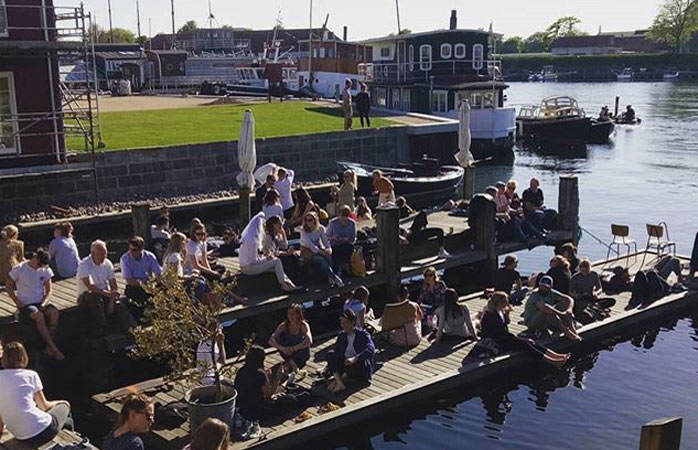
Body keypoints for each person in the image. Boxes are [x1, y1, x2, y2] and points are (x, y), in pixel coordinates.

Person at [0, 342, 73, 445]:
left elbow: (0, 415)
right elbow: (44, 406)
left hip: (20, 436)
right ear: (23, 357)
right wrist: (60, 402)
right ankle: (73, 440)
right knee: (65, 408)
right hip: (42, 431)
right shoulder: (31, 375)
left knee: (64, 421)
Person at [481, 292, 570, 366]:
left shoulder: (500, 311)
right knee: (527, 344)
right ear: (500, 303)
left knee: (530, 341)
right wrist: (516, 337)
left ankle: (555, 355)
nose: (507, 303)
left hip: (503, 337)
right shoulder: (490, 315)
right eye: (505, 301)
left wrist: (507, 314)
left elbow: (506, 324)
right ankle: (551, 360)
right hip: (495, 341)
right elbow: (499, 332)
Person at [7, 249, 64, 360]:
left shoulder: (45, 270)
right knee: (39, 316)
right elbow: (9, 285)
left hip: (40, 301)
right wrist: (16, 300)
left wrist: (44, 303)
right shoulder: (19, 269)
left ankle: (48, 346)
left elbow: (49, 290)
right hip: (26, 303)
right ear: (35, 258)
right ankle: (54, 348)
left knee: (54, 313)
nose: (39, 267)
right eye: (38, 264)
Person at [77, 240, 135, 337]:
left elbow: (113, 283)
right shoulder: (84, 265)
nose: (103, 257)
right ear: (92, 254)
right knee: (95, 298)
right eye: (100, 254)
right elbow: (90, 286)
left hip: (104, 293)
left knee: (120, 305)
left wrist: (113, 297)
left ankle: (133, 330)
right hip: (87, 296)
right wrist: (109, 294)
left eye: (105, 254)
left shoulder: (107, 263)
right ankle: (103, 331)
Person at [239, 212, 301, 293]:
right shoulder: (252, 241)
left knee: (278, 265)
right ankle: (285, 285)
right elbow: (254, 261)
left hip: (251, 264)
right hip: (248, 267)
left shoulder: (251, 238)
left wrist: (267, 258)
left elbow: (284, 246)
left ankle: (288, 284)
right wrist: (267, 258)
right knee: (277, 262)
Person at [234, 345, 283, 434]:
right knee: (289, 399)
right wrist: (278, 378)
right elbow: (269, 394)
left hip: (242, 406)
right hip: (256, 409)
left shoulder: (241, 370)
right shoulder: (259, 373)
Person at [326, 310, 375, 393]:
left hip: (358, 364)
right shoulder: (342, 336)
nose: (343, 325)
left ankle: (338, 381)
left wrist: (355, 358)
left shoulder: (363, 334)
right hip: (346, 363)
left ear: (352, 322)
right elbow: (337, 353)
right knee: (330, 354)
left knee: (360, 363)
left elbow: (371, 349)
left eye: (345, 323)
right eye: (342, 323)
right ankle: (339, 382)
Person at [522, 275, 581, 342]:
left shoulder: (551, 292)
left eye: (546, 287)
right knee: (548, 312)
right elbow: (544, 307)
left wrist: (569, 309)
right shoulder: (535, 295)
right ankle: (566, 331)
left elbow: (568, 298)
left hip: (545, 318)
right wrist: (561, 314)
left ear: (550, 287)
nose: (543, 288)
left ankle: (572, 328)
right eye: (542, 286)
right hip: (531, 321)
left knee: (564, 303)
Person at [300, 212, 344, 288]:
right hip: (307, 251)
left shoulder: (321, 228)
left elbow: (325, 241)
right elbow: (311, 246)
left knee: (328, 257)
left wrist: (329, 249)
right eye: (306, 220)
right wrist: (322, 252)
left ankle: (330, 277)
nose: (308, 222)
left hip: (318, 249)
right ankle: (334, 277)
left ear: (315, 220)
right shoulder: (303, 231)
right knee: (321, 259)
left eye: (310, 220)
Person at [268, 303, 313, 374]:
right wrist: (282, 348)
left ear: (298, 315)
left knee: (304, 347)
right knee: (278, 340)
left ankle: (291, 362)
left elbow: (309, 341)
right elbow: (271, 340)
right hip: (288, 351)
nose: (290, 316)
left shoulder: (303, 325)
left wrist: (294, 348)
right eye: (289, 314)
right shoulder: (284, 325)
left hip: (300, 351)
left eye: (293, 314)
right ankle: (291, 362)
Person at [120, 236, 162, 309]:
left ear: (141, 249)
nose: (131, 252)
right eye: (130, 249)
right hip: (135, 286)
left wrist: (154, 283)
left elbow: (158, 273)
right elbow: (129, 280)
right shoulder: (125, 259)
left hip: (149, 284)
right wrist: (144, 285)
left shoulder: (150, 256)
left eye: (134, 250)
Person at [262, 216, 302, 283]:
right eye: (279, 223)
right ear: (273, 225)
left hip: (278, 254)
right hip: (270, 257)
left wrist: (283, 234)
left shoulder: (277, 235)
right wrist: (285, 253)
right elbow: (272, 252)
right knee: (288, 260)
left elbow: (284, 246)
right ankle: (292, 281)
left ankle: (298, 279)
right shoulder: (268, 237)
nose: (281, 225)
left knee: (294, 256)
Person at [326, 205, 357, 276]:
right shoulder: (333, 223)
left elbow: (353, 237)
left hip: (347, 244)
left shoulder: (352, 223)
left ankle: (346, 267)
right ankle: (338, 269)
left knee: (348, 248)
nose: (344, 219)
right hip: (335, 244)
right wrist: (335, 238)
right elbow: (327, 236)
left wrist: (347, 239)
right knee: (337, 249)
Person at [196, 322, 226, 386]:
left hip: (217, 376)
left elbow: (222, 362)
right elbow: (221, 361)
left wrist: (221, 343)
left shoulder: (216, 343)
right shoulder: (205, 345)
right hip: (209, 379)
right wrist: (220, 344)